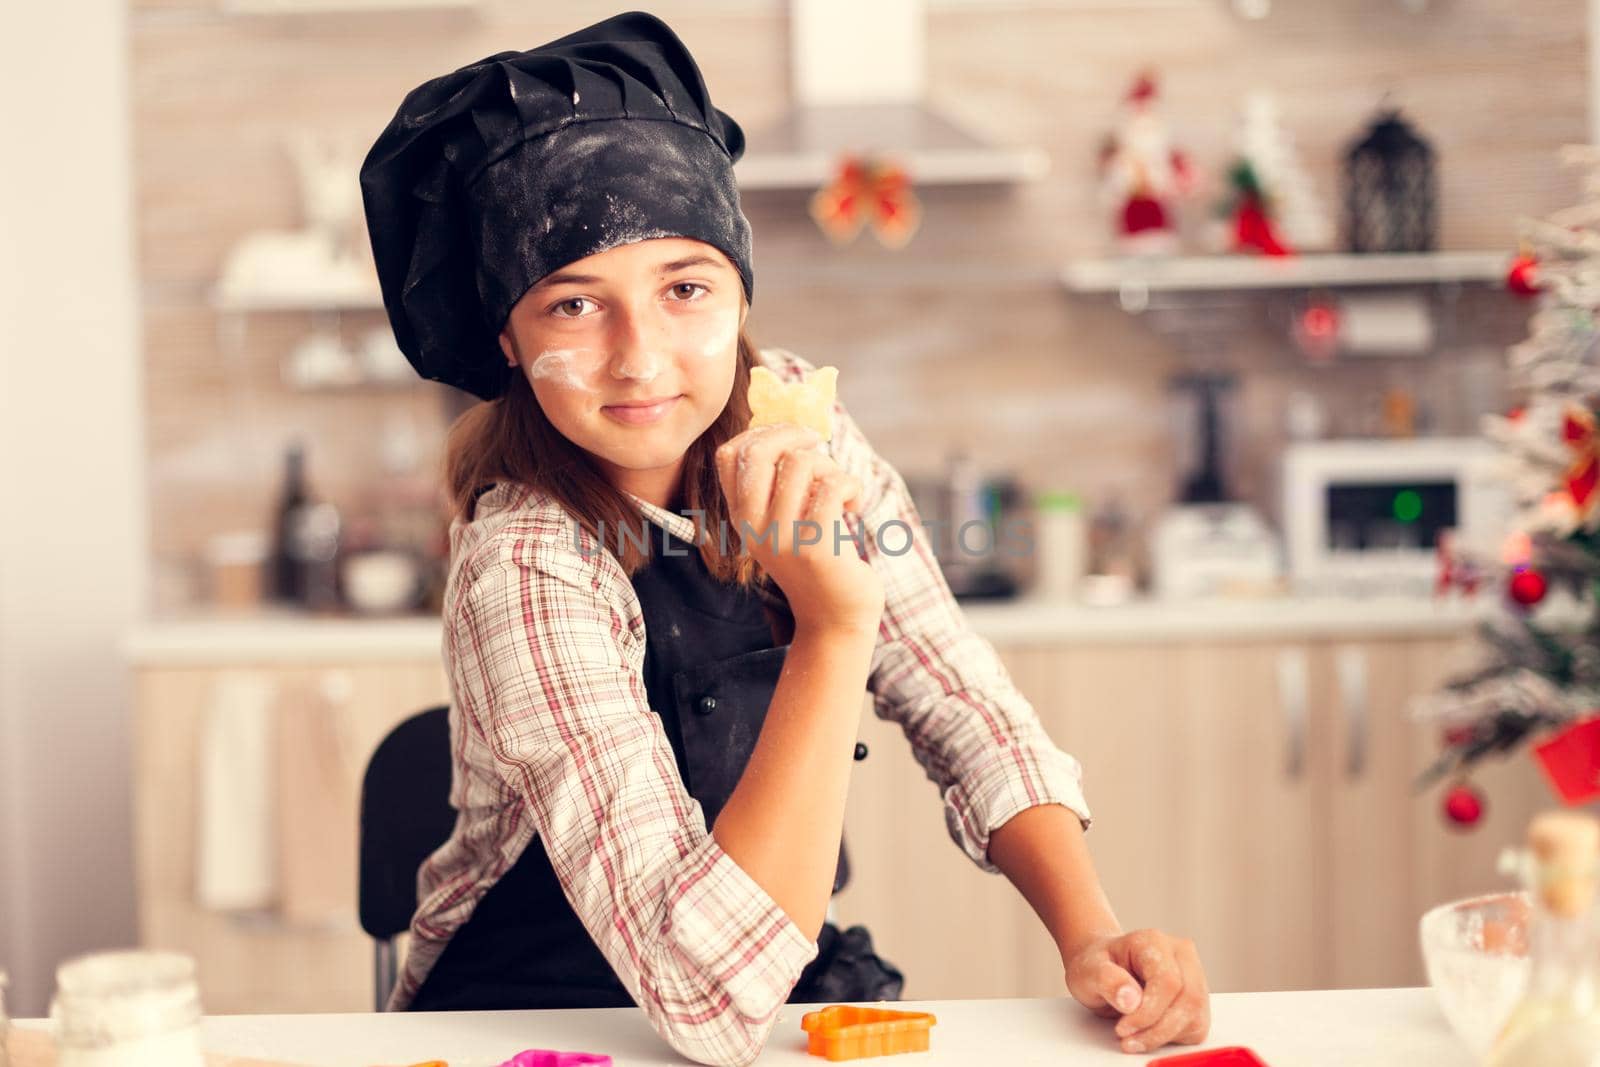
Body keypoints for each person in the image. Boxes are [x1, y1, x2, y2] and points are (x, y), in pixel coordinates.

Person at [358, 11, 1210, 1067]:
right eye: (575, 304)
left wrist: (1091, 929)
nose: (640, 357)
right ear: (508, 338)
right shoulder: (524, 562)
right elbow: (703, 1005)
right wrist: (834, 625)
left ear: (738, 290)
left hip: (777, 980)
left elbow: (962, 697)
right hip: (538, 1018)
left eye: (683, 287)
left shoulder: (805, 434)